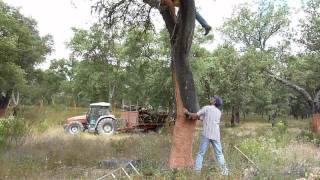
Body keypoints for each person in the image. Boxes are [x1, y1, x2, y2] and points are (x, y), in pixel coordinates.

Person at [185, 96, 229, 176]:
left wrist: (187, 112)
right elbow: (202, 118)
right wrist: (198, 117)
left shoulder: (206, 108)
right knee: (219, 154)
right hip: (216, 134)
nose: (211, 99)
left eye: (213, 99)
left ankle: (197, 171)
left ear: (214, 102)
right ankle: (225, 172)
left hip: (206, 134)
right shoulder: (219, 112)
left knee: (201, 153)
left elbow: (196, 115)